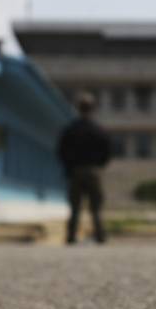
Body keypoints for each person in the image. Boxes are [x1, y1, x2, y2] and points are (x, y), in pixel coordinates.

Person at [57, 92, 111, 244]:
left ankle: (71, 236)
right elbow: (107, 151)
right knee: (96, 207)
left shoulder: (70, 129)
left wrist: (68, 167)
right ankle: (100, 236)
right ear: (93, 108)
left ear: (78, 108)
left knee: (75, 207)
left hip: (76, 171)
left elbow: (61, 151)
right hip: (93, 171)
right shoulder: (98, 130)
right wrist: (100, 165)